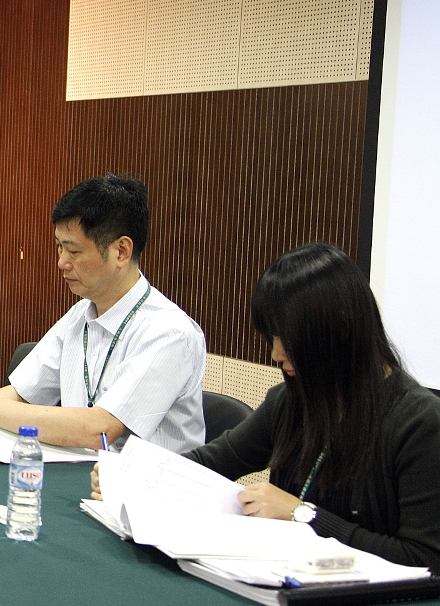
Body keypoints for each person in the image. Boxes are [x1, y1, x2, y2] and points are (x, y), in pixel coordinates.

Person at [93, 243, 440, 570]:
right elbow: (214, 461)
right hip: (283, 580)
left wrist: (303, 515)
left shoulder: (418, 423)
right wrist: (133, 475)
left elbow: (424, 558)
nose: (276, 353)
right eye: (272, 336)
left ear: (341, 328)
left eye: (287, 337)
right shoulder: (291, 402)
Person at [0, 175, 206, 451]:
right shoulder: (79, 316)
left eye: (73, 251)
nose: (61, 262)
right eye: (59, 247)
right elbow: (22, 394)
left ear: (121, 251)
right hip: (82, 476)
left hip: (146, 492)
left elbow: (99, 431)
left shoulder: (168, 332)